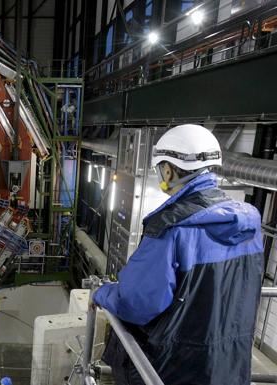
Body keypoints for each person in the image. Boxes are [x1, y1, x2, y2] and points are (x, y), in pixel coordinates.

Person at [93, 124, 264, 385]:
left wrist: (102, 293)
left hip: (169, 369)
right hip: (227, 368)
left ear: (168, 169)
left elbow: (137, 303)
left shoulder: (171, 228)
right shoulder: (250, 225)